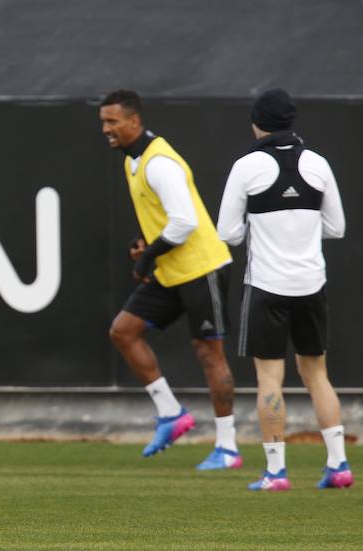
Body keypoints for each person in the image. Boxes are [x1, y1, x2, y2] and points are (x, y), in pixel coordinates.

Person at [217, 89, 351, 491]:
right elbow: (337, 228)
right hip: (311, 284)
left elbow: (228, 232)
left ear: (257, 123)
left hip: (267, 286)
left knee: (269, 378)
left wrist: (258, 232)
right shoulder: (318, 164)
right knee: (317, 375)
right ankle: (339, 465)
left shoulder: (247, 166)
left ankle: (276, 472)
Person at [100, 90, 241, 469]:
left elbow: (185, 221)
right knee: (123, 331)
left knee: (209, 353)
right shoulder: (133, 162)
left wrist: (148, 256)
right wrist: (145, 244)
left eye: (112, 122)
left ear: (134, 121)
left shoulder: (160, 162)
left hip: (202, 267)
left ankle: (228, 447)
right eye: (103, 122)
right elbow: (166, 220)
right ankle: (171, 413)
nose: (106, 129)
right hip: (172, 269)